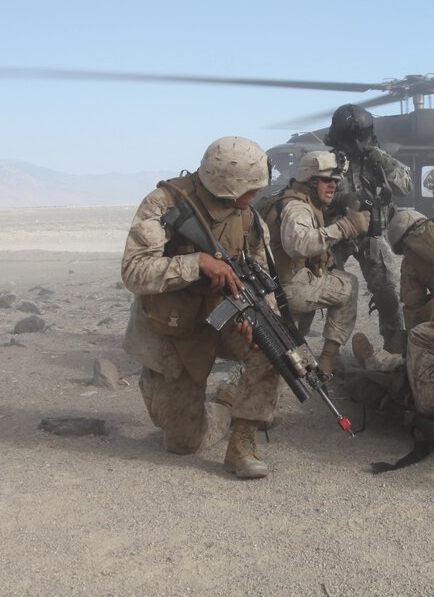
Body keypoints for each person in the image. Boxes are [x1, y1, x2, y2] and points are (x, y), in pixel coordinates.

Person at [121, 136, 281, 479]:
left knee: (274, 345)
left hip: (222, 317)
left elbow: (260, 277)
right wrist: (198, 264)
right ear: (228, 186)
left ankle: (242, 442)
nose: (257, 196)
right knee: (183, 443)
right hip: (175, 326)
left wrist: (256, 317)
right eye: (251, 190)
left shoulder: (250, 218)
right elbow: (134, 271)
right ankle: (224, 403)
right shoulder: (164, 204)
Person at [257, 150, 370, 374]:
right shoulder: (297, 207)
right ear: (310, 181)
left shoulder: (291, 198)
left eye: (336, 181)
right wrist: (345, 227)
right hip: (285, 288)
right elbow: (300, 245)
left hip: (274, 285)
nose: (333, 186)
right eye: (327, 180)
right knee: (349, 284)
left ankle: (292, 352)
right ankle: (329, 358)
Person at [324, 103, 412, 352]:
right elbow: (312, 197)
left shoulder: (377, 159)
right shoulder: (327, 162)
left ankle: (394, 346)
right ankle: (322, 352)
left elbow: (405, 188)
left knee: (387, 294)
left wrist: (383, 161)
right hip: (336, 235)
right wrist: (344, 200)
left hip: (371, 235)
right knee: (327, 290)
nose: (356, 145)